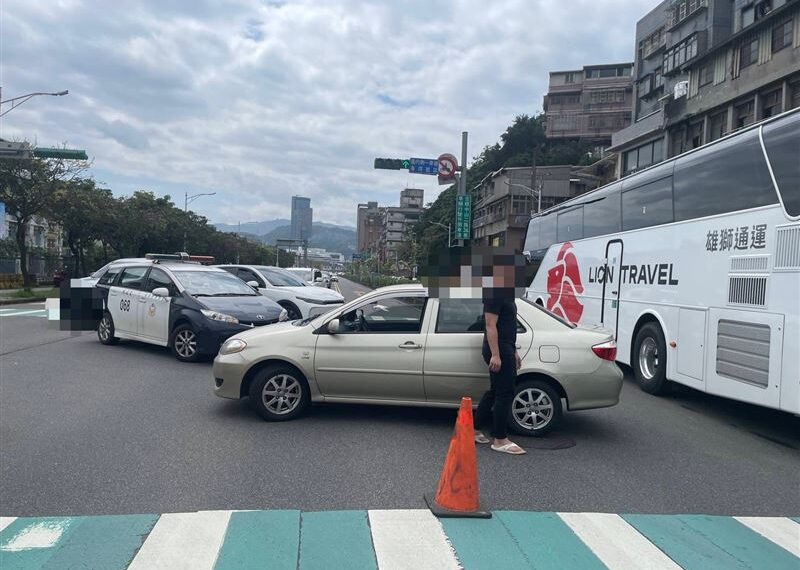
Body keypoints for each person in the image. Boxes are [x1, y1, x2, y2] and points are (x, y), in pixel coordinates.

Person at [474, 263, 525, 455]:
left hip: (505, 348)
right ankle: (500, 439)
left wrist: (513, 352)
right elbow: (490, 325)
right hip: (498, 349)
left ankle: (474, 428)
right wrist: (496, 354)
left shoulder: (505, 292)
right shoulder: (494, 293)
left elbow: (507, 325)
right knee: (505, 392)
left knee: (496, 390)